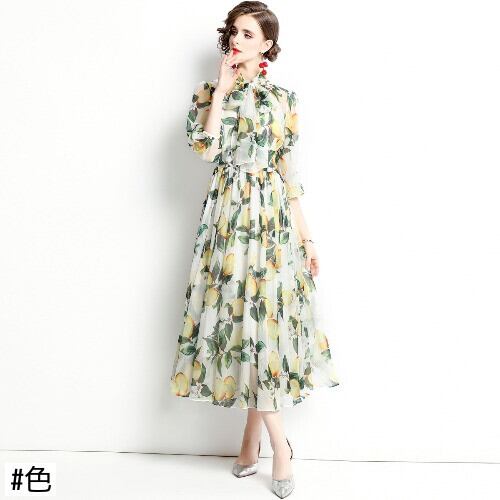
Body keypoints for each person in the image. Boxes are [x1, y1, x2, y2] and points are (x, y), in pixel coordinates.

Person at [170, 2, 340, 497]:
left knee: (264, 328)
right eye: (233, 31)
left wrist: (307, 237)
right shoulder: (208, 93)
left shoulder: (283, 100)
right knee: (240, 322)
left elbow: (288, 173)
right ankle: (267, 442)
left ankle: (266, 444)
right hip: (227, 221)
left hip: (272, 224)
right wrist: (223, 91)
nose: (236, 40)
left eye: (247, 34)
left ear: (267, 44)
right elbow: (205, 149)